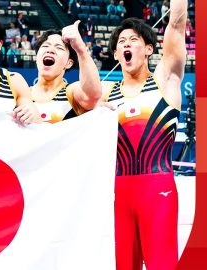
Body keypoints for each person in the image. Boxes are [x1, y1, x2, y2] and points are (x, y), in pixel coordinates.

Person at [100, 0, 188, 268]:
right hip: (119, 193)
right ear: (115, 54)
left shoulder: (165, 80)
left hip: (157, 191)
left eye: (133, 40)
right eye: (121, 42)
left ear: (149, 49)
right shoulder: (105, 96)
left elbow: (176, 23)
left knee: (162, 264)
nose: (126, 44)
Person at [30, 21, 101, 123]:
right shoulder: (21, 95)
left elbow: (92, 95)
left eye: (59, 47)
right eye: (46, 46)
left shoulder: (72, 93)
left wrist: (80, 49)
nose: (50, 50)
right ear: (36, 57)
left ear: (69, 63)